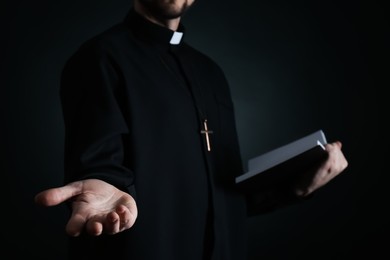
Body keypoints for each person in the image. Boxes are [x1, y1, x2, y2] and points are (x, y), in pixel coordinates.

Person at [34, 0, 348, 259]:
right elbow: (101, 166)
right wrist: (105, 186)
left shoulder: (210, 73)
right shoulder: (100, 58)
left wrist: (297, 188)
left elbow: (222, 195)